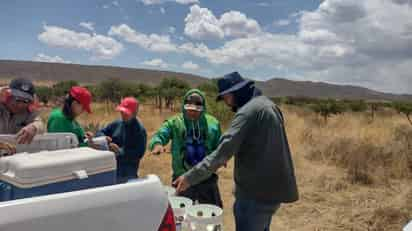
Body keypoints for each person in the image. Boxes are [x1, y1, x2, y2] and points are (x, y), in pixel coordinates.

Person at [173, 72, 299, 231]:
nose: (227, 103)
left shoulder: (248, 111)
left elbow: (222, 152)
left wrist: (189, 177)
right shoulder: (267, 105)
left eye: (226, 98)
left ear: (235, 92)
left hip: (255, 194)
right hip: (271, 191)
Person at [149, 89, 223, 207]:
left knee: (211, 214)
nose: (192, 113)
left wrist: (221, 157)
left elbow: (220, 145)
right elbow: (160, 135)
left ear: (203, 108)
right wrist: (157, 144)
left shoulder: (213, 123)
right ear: (184, 106)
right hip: (182, 178)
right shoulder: (175, 122)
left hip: (206, 178)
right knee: (181, 216)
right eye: (189, 109)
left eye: (196, 110)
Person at [94, 97, 147, 183]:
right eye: (122, 112)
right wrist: (104, 138)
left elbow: (138, 153)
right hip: (112, 168)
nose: (123, 115)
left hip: (128, 173)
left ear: (134, 113)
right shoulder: (117, 123)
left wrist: (119, 151)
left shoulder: (139, 131)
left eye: (126, 113)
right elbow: (101, 132)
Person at [0, 78, 45, 155]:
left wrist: (34, 127)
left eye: (26, 101)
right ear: (8, 95)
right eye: (17, 99)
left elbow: (40, 124)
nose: (20, 105)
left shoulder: (29, 112)